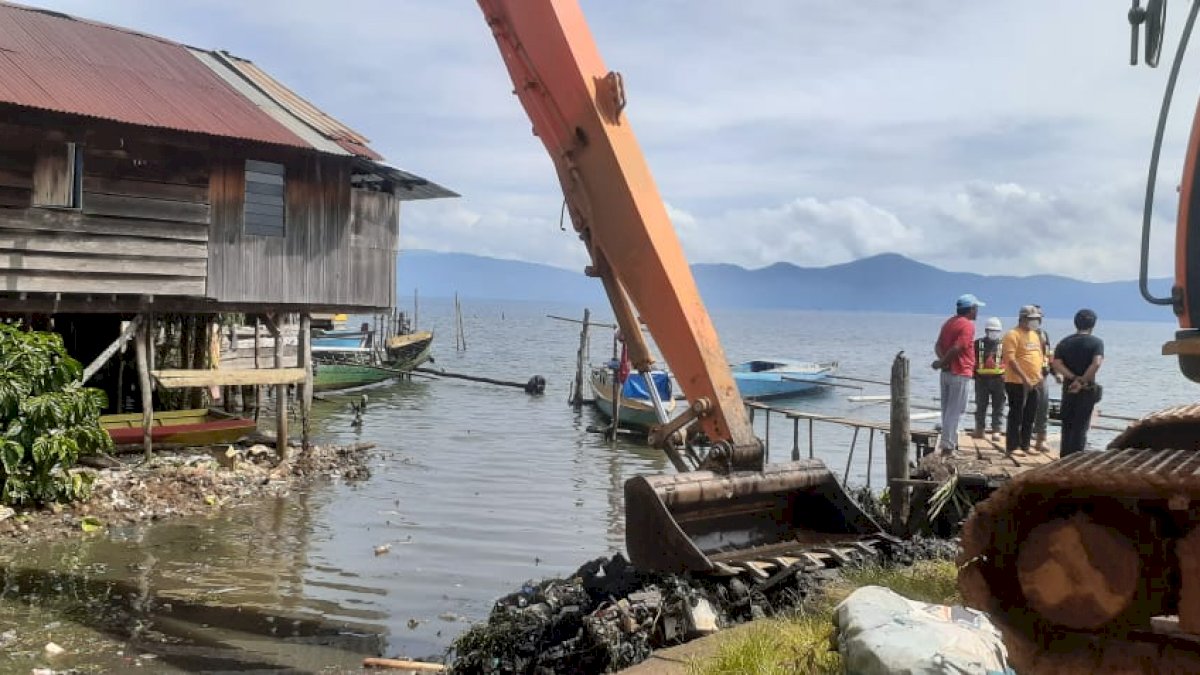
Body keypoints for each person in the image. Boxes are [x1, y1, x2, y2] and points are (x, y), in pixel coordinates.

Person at [932, 294, 985, 455]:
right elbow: (957, 347)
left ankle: (950, 443)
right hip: (960, 372)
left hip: (947, 373)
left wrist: (943, 362)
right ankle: (948, 447)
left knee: (947, 410)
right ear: (971, 309)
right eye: (976, 308)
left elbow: (938, 345)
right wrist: (944, 362)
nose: (977, 312)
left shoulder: (949, 322)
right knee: (956, 411)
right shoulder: (967, 325)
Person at [1051, 309, 1105, 456]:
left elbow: (1056, 364)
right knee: (1081, 426)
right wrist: (1081, 381)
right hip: (1086, 388)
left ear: (1075, 323)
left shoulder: (1064, 342)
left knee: (1067, 424)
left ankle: (1064, 456)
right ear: (1093, 325)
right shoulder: (1096, 343)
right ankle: (1076, 457)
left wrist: (1073, 378)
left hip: (1068, 387)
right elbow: (1096, 363)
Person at [1001, 305, 1047, 457]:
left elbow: (1039, 355)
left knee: (1030, 414)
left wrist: (1039, 374)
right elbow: (1010, 359)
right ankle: (1012, 446)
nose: (1036, 322)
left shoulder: (1035, 335)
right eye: (1033, 319)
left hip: (1034, 381)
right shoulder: (1012, 335)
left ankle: (1025, 444)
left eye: (1037, 319)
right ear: (1022, 319)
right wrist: (1024, 377)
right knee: (1016, 414)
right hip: (1016, 381)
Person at [972, 317, 1006, 442]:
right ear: (986, 331)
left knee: (998, 406)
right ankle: (979, 429)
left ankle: (996, 430)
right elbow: (971, 359)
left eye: (996, 331)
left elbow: (1009, 361)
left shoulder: (1004, 344)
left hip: (999, 380)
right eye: (991, 330)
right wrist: (973, 374)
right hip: (981, 380)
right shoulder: (977, 344)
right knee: (981, 405)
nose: (994, 333)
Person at [1030, 305, 1057, 452]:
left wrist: (1055, 374)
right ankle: (1022, 438)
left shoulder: (1044, 335)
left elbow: (1048, 356)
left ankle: (1041, 440)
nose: (1038, 319)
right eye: (1035, 316)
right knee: (1023, 408)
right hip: (1024, 377)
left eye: (1040, 316)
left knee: (1042, 409)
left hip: (1042, 377)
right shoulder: (1019, 334)